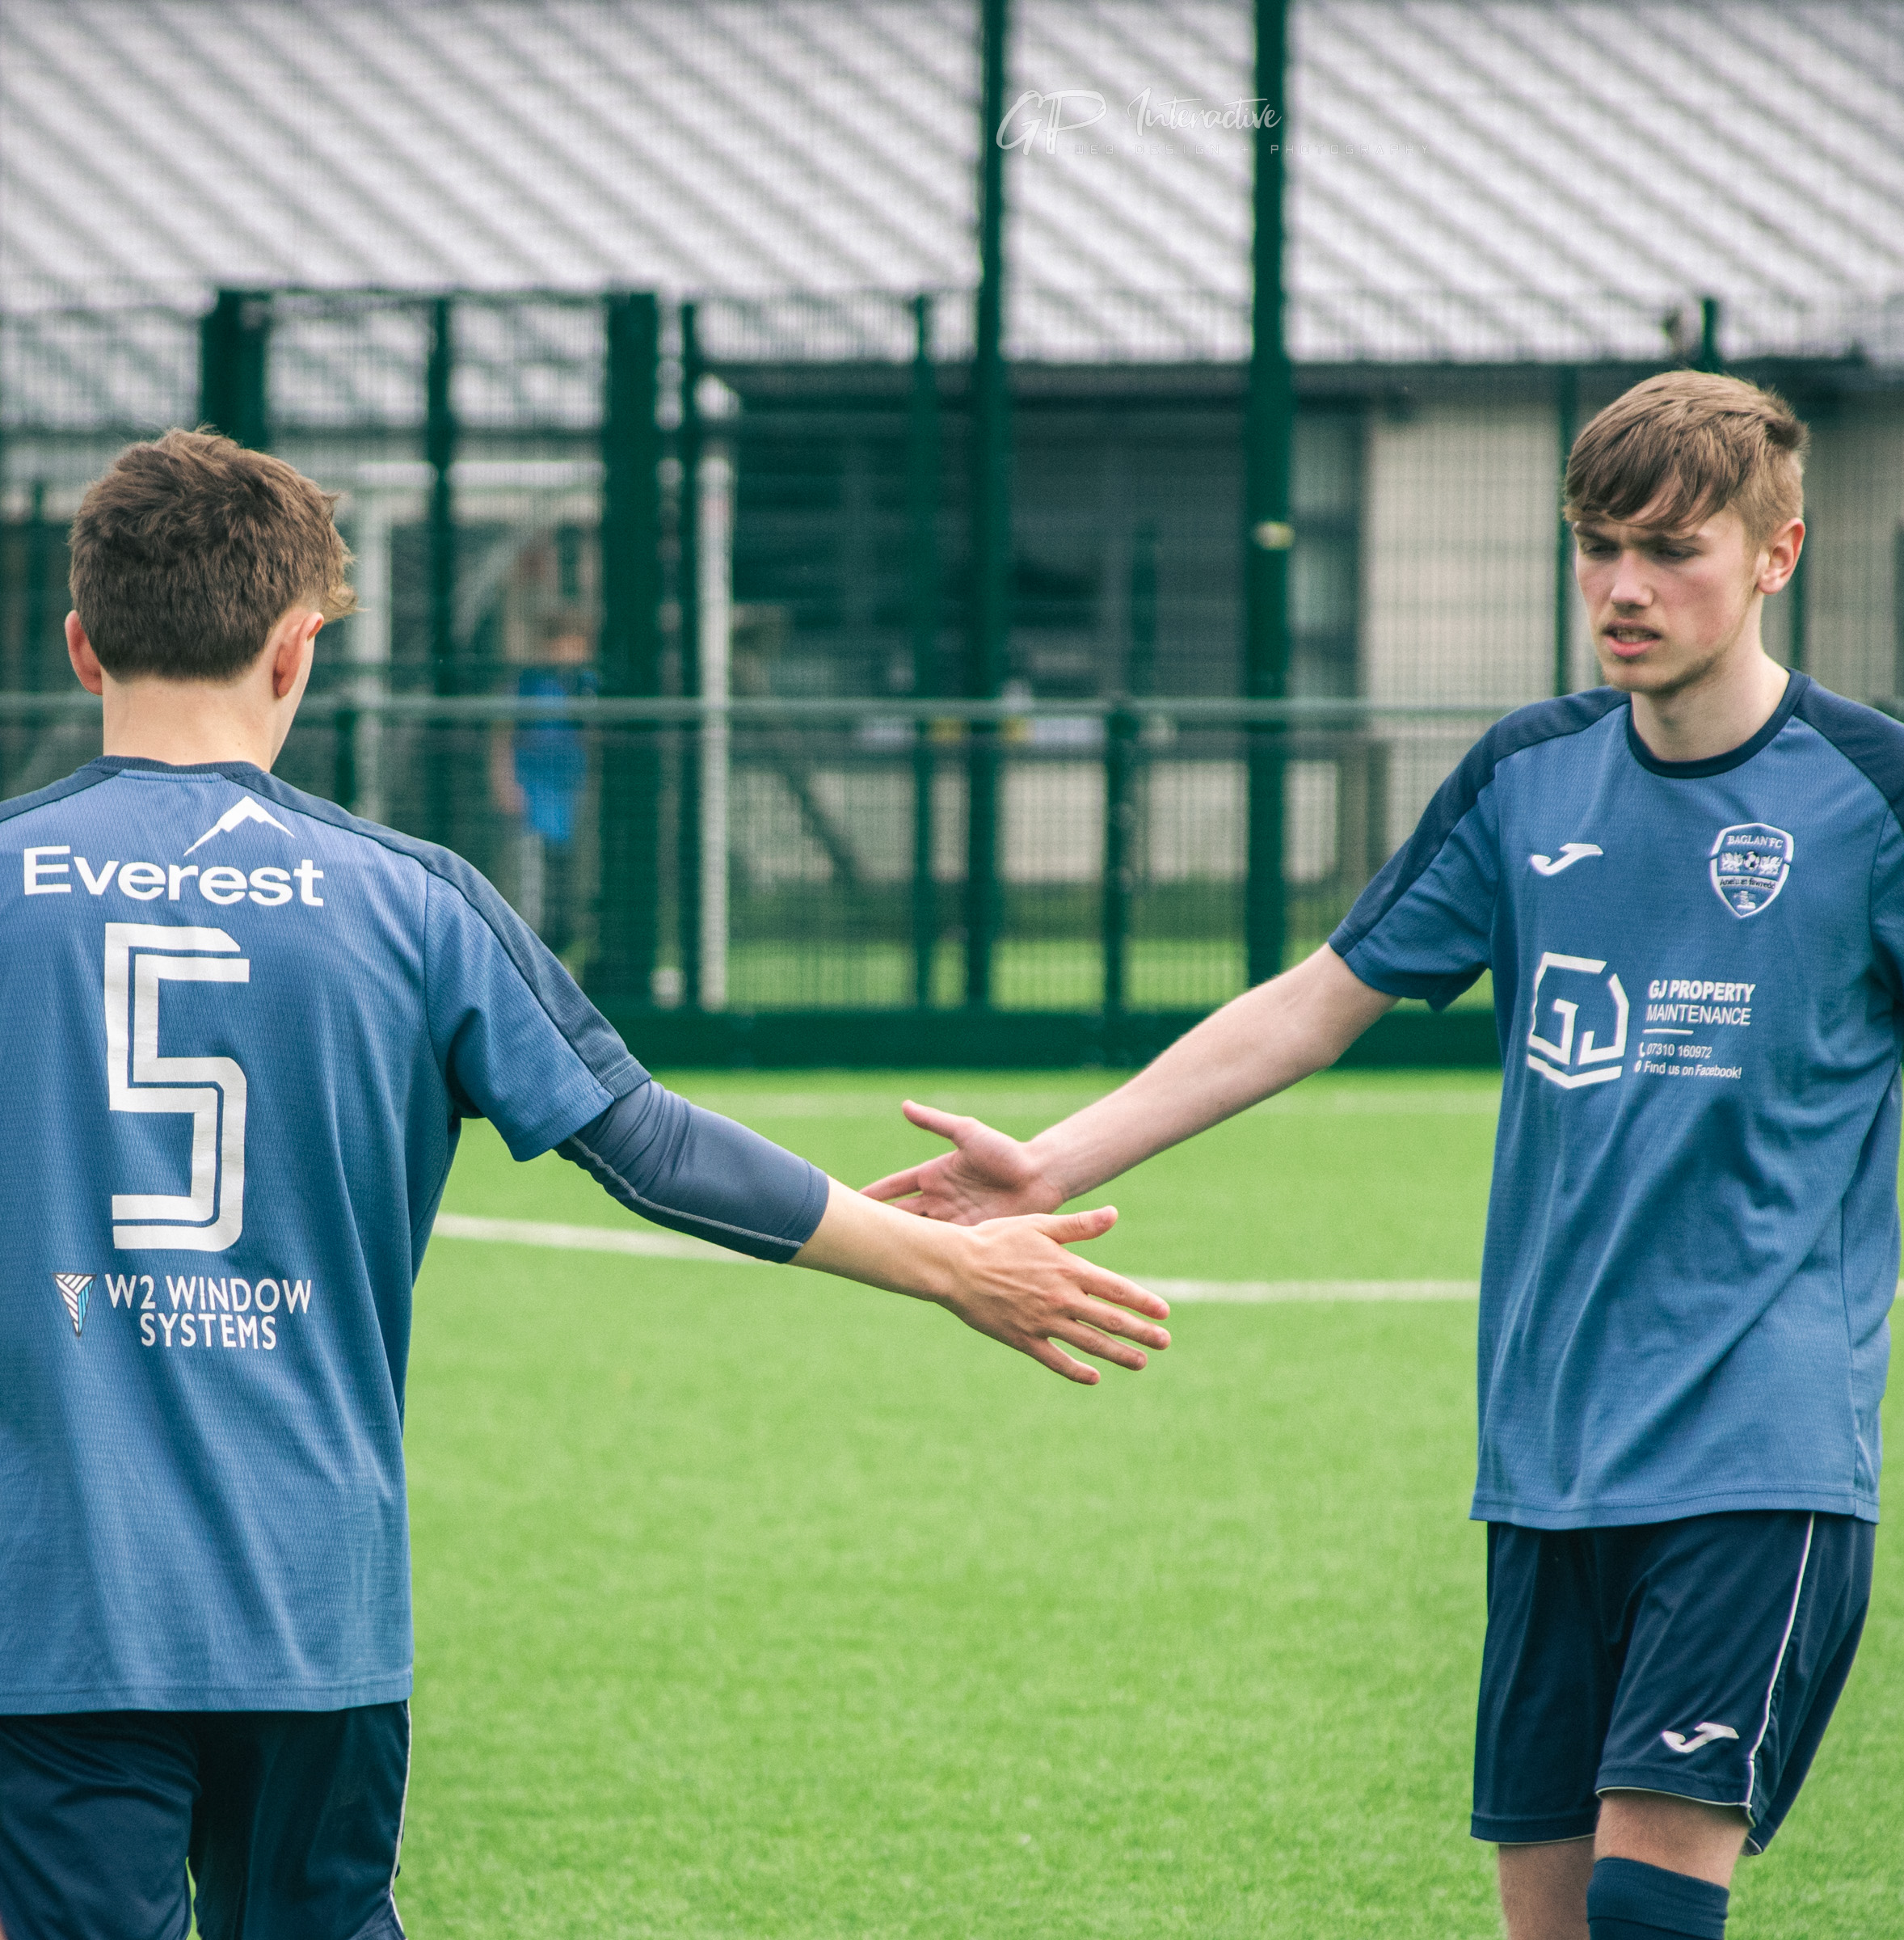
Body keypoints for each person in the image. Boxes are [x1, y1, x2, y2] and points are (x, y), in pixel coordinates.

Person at [866, 373, 1904, 1940]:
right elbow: (1312, 1007)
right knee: (1548, 1921)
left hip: (1763, 1453)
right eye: (1598, 546)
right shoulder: (1525, 777)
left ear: (1776, 555)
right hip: (1545, 1460)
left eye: (1672, 550)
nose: (1623, 588)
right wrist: (1051, 1163)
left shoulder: (1887, 795)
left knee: (1646, 1907)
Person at [0, 430, 1170, 1940]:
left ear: (83, 644)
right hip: (313, 1608)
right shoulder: (413, 903)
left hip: (55, 1611)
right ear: (297, 655)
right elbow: (656, 1148)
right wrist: (955, 1265)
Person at [485, 609, 597, 951]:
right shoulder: (526, 682)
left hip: (571, 791)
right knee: (529, 879)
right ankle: (527, 946)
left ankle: (564, 943)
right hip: (531, 792)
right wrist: (504, 781)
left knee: (568, 876)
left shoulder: (586, 683)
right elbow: (502, 735)